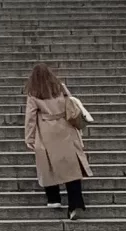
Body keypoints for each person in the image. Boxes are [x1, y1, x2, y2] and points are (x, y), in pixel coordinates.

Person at [24, 61, 92, 219]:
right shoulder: (60, 86)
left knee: (48, 164)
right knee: (71, 166)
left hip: (47, 131)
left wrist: (29, 137)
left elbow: (30, 118)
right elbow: (71, 102)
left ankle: (53, 198)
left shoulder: (34, 93)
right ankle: (75, 203)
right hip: (65, 127)